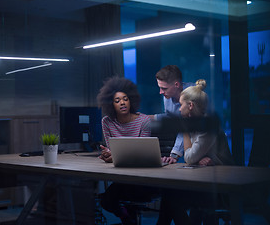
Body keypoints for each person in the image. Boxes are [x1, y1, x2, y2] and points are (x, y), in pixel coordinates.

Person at [156, 79, 234, 225]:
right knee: (170, 194)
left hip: (221, 188)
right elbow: (195, 156)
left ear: (190, 106)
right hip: (207, 182)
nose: (179, 109)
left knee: (171, 196)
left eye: (181, 105)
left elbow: (190, 157)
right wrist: (200, 157)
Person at [97, 76, 154, 225]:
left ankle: (129, 218)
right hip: (122, 178)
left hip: (142, 178)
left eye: (125, 99)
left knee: (115, 197)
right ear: (111, 104)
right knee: (105, 201)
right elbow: (111, 148)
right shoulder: (107, 122)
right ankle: (126, 218)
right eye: (117, 101)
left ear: (131, 100)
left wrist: (115, 156)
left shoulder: (144, 121)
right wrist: (107, 154)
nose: (122, 103)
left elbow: (144, 152)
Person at [150, 65, 186, 164]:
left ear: (176, 84)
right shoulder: (167, 96)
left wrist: (174, 154)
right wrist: (150, 118)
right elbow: (171, 117)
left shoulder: (192, 96)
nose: (161, 92)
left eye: (164, 88)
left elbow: (186, 127)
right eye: (160, 87)